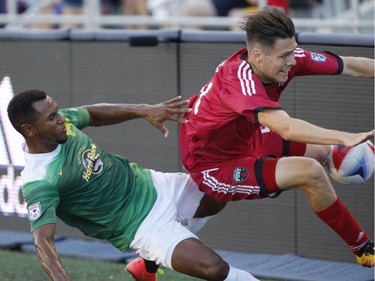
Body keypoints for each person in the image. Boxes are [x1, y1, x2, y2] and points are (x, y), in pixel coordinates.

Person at [179, 4, 374, 266]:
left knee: (321, 151)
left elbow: (349, 66)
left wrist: (333, 145)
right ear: (258, 55)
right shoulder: (239, 82)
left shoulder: (285, 56)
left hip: (247, 134)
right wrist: (343, 138)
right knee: (310, 173)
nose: (293, 61)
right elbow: (287, 128)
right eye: (285, 56)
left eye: (293, 51)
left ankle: (156, 254)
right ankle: (364, 249)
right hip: (213, 166)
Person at [7, 89, 260, 281]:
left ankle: (149, 263)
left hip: (151, 183)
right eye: (52, 117)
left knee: (220, 190)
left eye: (58, 111)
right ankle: (154, 253)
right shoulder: (40, 180)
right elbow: (43, 241)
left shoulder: (62, 124)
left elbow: (93, 114)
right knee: (214, 269)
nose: (61, 119)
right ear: (29, 129)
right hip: (140, 225)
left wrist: (144, 110)